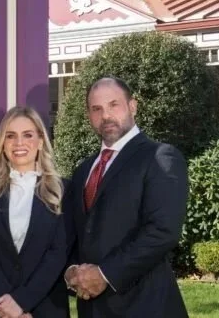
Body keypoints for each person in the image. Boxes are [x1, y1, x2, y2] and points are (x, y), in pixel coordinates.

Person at [64, 76, 189, 318]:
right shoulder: (83, 170)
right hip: (92, 308)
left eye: (114, 105)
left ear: (133, 106)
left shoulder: (160, 158)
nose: (106, 115)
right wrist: (71, 271)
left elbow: (162, 231)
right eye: (96, 109)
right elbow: (76, 233)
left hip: (145, 305)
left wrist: (105, 274)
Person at [0, 105, 73, 318]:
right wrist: (7, 305)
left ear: (41, 141)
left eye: (27, 135)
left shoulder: (62, 190)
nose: (19, 143)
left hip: (46, 306)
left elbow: (58, 254)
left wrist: (22, 302)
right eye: (10, 136)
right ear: (2, 144)